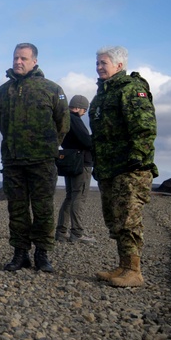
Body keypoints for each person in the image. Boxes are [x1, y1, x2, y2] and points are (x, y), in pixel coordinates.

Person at [0, 43, 69, 273]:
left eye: (24, 58)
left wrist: (46, 147)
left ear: (34, 61)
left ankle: (42, 254)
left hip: (42, 160)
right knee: (16, 209)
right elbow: (1, 124)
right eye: (16, 58)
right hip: (13, 160)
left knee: (43, 209)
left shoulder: (51, 89)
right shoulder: (2, 92)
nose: (18, 62)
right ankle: (20, 253)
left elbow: (63, 124)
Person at [90, 46, 158, 287]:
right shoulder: (101, 95)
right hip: (109, 168)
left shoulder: (131, 89)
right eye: (97, 63)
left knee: (129, 218)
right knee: (115, 218)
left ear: (119, 65)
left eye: (103, 62)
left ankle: (134, 271)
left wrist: (137, 157)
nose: (98, 67)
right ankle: (123, 265)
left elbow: (144, 126)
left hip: (129, 168)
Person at [56, 95, 97, 244]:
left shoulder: (64, 119)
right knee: (79, 197)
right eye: (84, 110)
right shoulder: (75, 120)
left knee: (70, 196)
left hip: (69, 161)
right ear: (79, 108)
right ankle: (77, 233)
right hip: (82, 163)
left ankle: (61, 231)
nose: (84, 113)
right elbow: (86, 142)